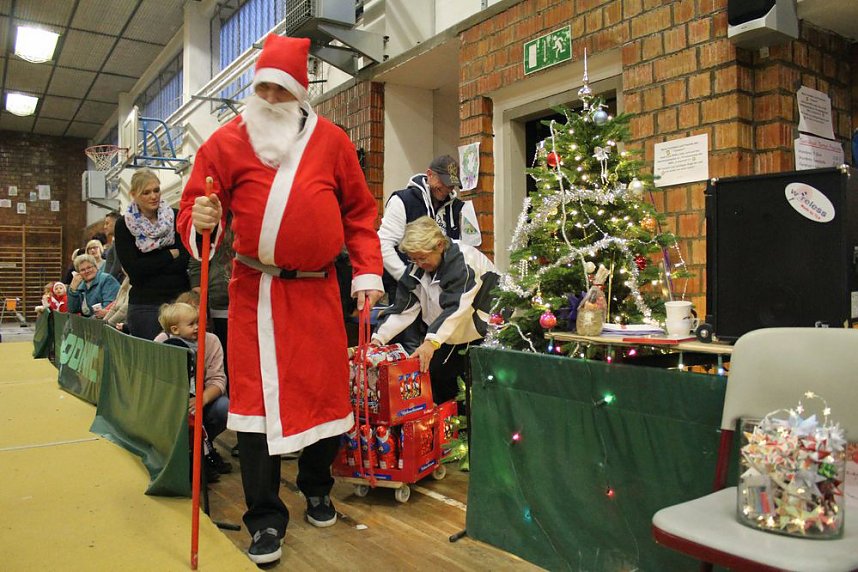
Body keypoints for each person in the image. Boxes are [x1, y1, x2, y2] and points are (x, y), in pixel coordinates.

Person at [178, 34, 383, 565]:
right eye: (262, 87)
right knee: (252, 411)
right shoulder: (223, 143)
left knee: (324, 397)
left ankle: (317, 486)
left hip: (318, 292)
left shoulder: (333, 142)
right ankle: (265, 519)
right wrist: (201, 222)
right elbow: (195, 209)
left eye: (281, 89)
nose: (269, 98)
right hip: (255, 294)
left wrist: (367, 272)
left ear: (299, 95)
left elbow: (360, 214)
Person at [371, 216, 498, 404]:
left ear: (439, 245)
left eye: (422, 257)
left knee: (474, 389)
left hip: (482, 331)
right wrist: (378, 339)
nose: (418, 264)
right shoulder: (416, 268)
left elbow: (456, 306)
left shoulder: (463, 260)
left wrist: (432, 342)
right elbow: (403, 308)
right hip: (447, 333)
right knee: (437, 377)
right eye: (413, 258)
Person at [377, 154, 482, 304]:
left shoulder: (458, 209)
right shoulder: (402, 201)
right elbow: (383, 243)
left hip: (446, 288)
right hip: (407, 289)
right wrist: (404, 276)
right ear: (430, 174)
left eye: (451, 184)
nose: (447, 188)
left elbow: (467, 250)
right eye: (443, 182)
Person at [154, 301, 231, 480]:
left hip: (199, 400)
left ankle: (204, 451)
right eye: (191, 324)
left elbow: (218, 380)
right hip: (171, 401)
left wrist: (201, 400)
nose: (197, 327)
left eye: (198, 322)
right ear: (174, 329)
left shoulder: (211, 341)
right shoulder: (163, 341)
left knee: (223, 408)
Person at [114, 168, 191, 340]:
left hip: (178, 300)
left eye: (156, 190)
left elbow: (185, 259)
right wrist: (169, 255)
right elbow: (134, 270)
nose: (153, 196)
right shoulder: (123, 225)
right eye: (146, 192)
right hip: (145, 305)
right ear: (133, 194)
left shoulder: (175, 217)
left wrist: (149, 263)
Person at [101, 212, 125, 282]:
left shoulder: (121, 240)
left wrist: (107, 282)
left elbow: (117, 266)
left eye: (107, 223)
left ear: (116, 223)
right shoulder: (116, 241)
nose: (105, 227)